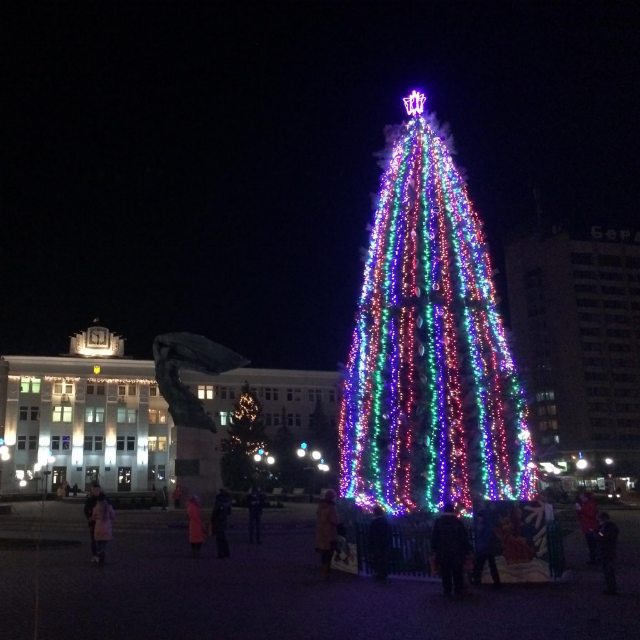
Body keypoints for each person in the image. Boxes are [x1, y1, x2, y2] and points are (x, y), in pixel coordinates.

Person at [430, 503, 471, 598]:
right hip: (457, 551)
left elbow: (434, 537)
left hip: (443, 551)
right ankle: (458, 590)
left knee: (445, 572)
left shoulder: (439, 522)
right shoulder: (457, 522)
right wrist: (467, 549)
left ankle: (447, 590)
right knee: (457, 572)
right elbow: (463, 537)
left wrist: (434, 549)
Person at [471, 507, 501, 587]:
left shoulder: (479, 527)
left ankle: (477, 580)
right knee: (490, 566)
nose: (479, 519)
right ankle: (496, 582)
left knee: (480, 565)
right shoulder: (487, 527)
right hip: (487, 548)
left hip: (484, 549)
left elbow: (484, 538)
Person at [315, 489, 338, 578]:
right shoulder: (331, 507)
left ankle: (323, 570)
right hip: (329, 532)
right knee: (329, 552)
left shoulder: (320, 506)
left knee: (323, 553)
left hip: (321, 532)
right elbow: (334, 520)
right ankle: (326, 571)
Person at [597, 511, 619, 595]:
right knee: (608, 570)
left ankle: (611, 589)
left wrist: (598, 534)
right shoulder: (610, 526)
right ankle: (611, 587)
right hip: (609, 550)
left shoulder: (606, 527)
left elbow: (602, 536)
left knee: (608, 570)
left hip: (607, 551)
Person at [368, 505, 392, 580]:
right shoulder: (385, 521)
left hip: (377, 543)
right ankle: (383, 573)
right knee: (383, 558)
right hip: (384, 542)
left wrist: (371, 542)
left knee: (378, 558)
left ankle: (380, 573)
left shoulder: (375, 522)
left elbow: (372, 534)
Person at [91, 493, 115, 566]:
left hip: (98, 526)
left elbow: (93, 517)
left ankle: (99, 555)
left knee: (99, 543)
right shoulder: (109, 507)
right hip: (107, 527)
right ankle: (102, 555)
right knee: (104, 544)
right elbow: (113, 516)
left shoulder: (96, 507)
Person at [575, 491, 599, 564]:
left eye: (583, 497)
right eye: (581, 498)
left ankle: (595, 559)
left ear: (587, 497)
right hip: (586, 526)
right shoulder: (584, 504)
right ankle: (593, 559)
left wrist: (581, 510)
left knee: (593, 544)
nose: (581, 499)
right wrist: (578, 510)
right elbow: (581, 515)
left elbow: (591, 514)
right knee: (590, 544)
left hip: (591, 526)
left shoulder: (591, 504)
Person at [83, 481, 104, 563]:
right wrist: (89, 517)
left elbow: (109, 509)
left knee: (101, 540)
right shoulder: (90, 500)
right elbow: (85, 510)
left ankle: (101, 555)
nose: (96, 492)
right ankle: (94, 555)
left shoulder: (104, 499)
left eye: (97, 490)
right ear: (92, 490)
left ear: (99, 489)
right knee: (93, 540)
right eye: (94, 490)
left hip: (102, 523)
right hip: (93, 523)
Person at [211, 488, 232, 558]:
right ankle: (226, 552)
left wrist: (212, 519)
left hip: (218, 521)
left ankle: (221, 553)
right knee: (223, 537)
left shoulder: (219, 501)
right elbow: (229, 512)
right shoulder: (227, 501)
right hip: (224, 520)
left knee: (219, 538)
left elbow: (215, 512)